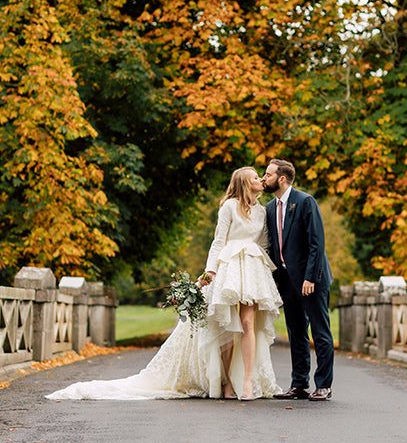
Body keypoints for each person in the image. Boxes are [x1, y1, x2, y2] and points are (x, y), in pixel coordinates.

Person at [46, 167, 282, 401]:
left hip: (251, 271)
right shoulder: (229, 206)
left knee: (248, 323)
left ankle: (248, 381)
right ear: (243, 183)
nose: (261, 179)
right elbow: (218, 242)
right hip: (228, 269)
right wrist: (210, 271)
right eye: (255, 177)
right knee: (227, 328)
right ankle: (229, 383)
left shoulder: (262, 212)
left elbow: (263, 244)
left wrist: (266, 275)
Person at [262, 159, 334, 401]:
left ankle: (323, 385)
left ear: (282, 179)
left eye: (268, 174)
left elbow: (317, 242)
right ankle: (299, 384)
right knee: (296, 333)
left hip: (311, 279)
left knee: (320, 332)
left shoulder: (305, 202)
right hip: (288, 281)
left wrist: (310, 277)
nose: (264, 178)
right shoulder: (271, 208)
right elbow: (274, 246)